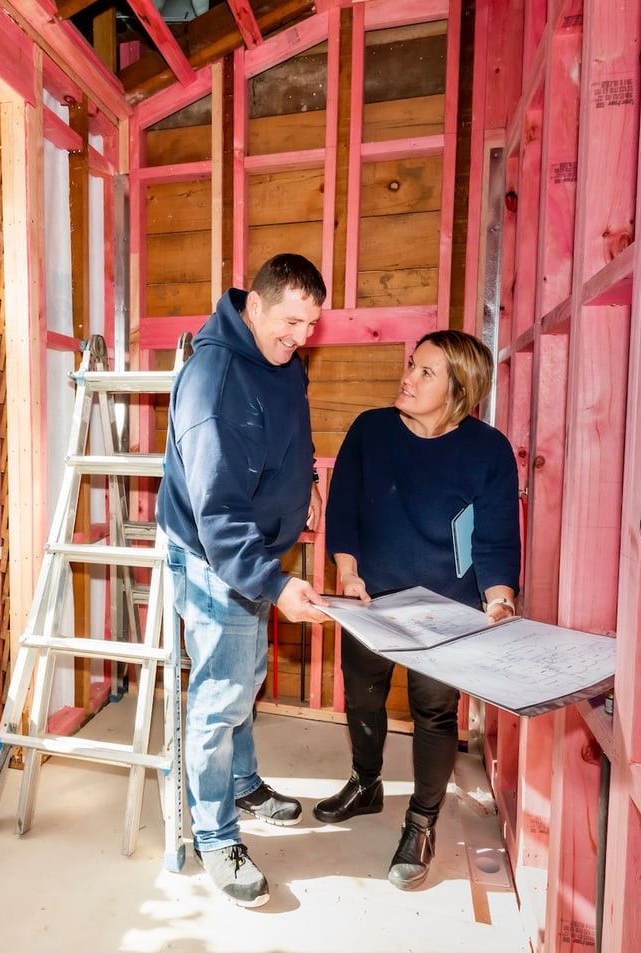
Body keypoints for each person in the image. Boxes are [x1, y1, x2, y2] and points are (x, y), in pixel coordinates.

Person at [313, 329, 521, 890]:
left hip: (445, 610)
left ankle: (421, 822)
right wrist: (348, 571)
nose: (407, 377)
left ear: (460, 389)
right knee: (362, 695)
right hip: (370, 602)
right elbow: (346, 508)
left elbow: (498, 535)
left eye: (425, 372)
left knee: (434, 713)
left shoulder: (488, 449)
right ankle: (366, 781)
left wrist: (499, 598)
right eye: (411, 364)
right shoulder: (371, 430)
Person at [156, 253, 330, 907]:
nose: (301, 339)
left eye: (311, 325)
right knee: (222, 691)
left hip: (254, 553)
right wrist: (275, 582)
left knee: (243, 672)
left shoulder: (281, 359)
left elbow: (296, 427)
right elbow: (219, 514)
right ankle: (215, 833)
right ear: (254, 306)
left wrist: (308, 477)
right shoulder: (215, 382)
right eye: (291, 322)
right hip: (214, 555)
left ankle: (243, 779)